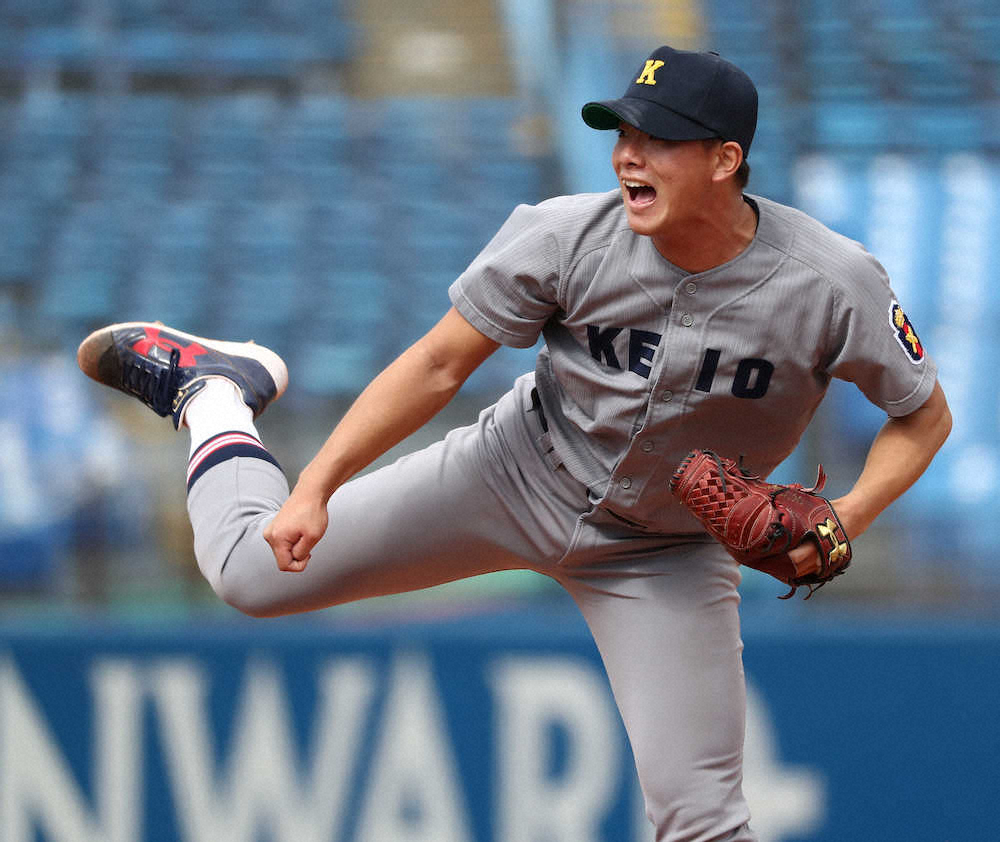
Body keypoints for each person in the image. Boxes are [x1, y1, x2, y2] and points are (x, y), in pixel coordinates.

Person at [78, 45, 951, 842]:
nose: (628, 155)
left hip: (667, 552)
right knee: (246, 575)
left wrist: (851, 510)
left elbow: (924, 415)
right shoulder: (565, 234)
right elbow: (435, 366)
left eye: (659, 139)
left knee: (706, 822)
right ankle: (217, 393)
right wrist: (315, 486)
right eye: (622, 131)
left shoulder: (831, 282)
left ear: (727, 160)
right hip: (513, 473)